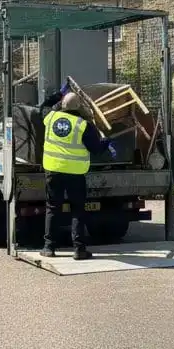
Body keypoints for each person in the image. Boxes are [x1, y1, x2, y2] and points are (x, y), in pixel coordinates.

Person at [40, 82, 115, 260]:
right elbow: (96, 149)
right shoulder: (83, 125)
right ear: (79, 107)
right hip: (75, 173)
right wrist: (107, 143)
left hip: (53, 170)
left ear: (62, 105)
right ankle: (79, 249)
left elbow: (43, 107)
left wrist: (58, 94)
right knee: (78, 211)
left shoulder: (50, 118)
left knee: (52, 208)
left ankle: (49, 247)